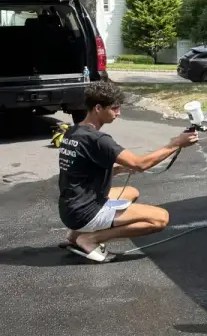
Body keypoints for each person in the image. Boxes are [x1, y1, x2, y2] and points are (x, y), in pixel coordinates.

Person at [58, 80, 198, 263]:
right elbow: (140, 164)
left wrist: (121, 168)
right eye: (114, 108)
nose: (118, 113)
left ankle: (73, 235)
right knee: (160, 219)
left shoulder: (74, 131)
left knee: (132, 192)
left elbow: (84, 169)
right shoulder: (99, 140)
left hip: (69, 207)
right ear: (98, 108)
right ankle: (90, 239)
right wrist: (176, 144)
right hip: (84, 212)